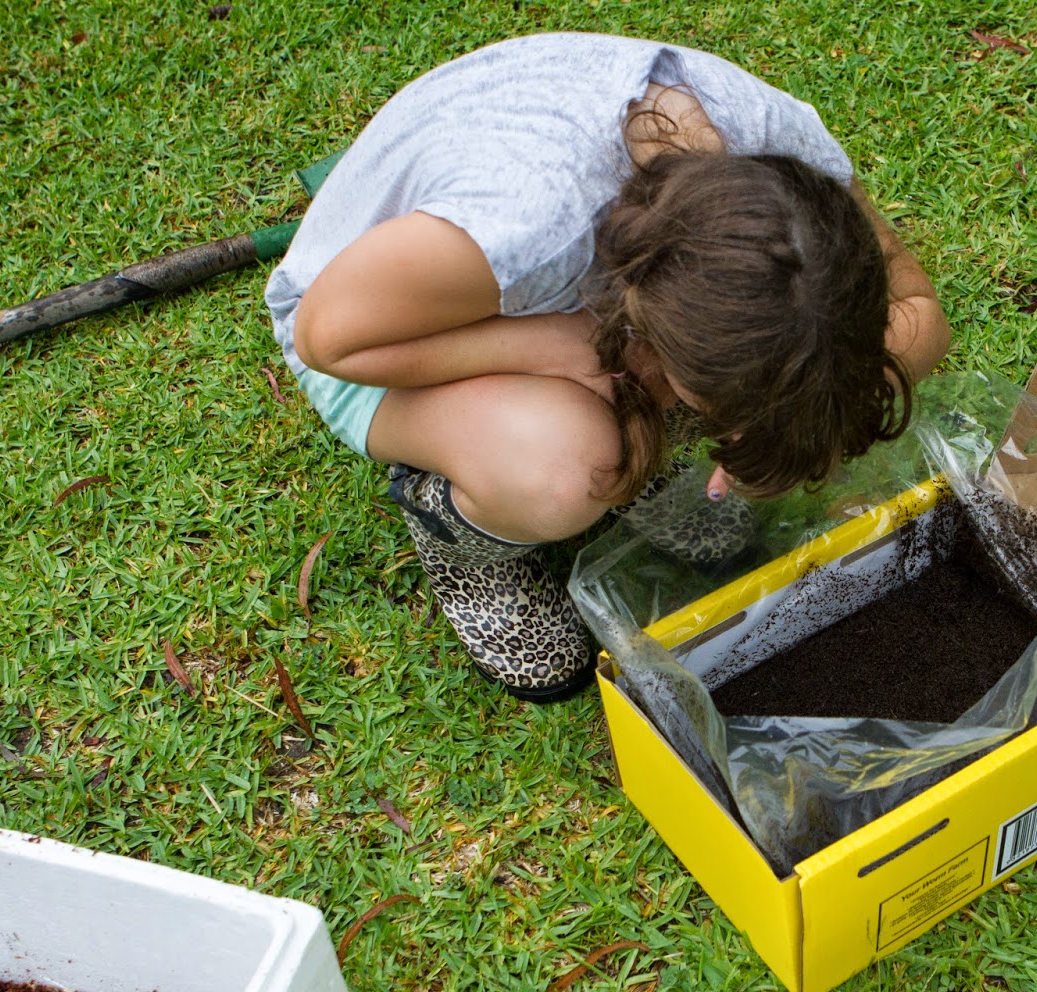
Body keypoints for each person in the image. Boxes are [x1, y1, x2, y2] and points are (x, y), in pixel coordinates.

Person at [264, 33, 950, 703]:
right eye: (709, 406)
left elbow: (919, 314)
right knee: (572, 469)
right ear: (652, 335)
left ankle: (638, 430)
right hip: (375, 328)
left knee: (650, 430)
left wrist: (808, 413)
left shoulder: (784, 161)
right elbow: (328, 339)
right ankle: (465, 543)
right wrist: (554, 348)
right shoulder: (530, 227)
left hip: (542, 301)